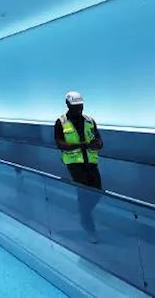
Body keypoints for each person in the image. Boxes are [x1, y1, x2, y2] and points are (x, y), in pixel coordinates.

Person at [55, 90, 104, 240]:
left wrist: (97, 144)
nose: (79, 109)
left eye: (80, 106)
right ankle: (90, 228)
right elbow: (60, 143)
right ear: (68, 105)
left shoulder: (90, 120)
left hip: (91, 162)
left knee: (98, 191)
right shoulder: (61, 122)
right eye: (75, 106)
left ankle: (84, 214)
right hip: (74, 163)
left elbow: (99, 140)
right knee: (84, 193)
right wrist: (79, 145)